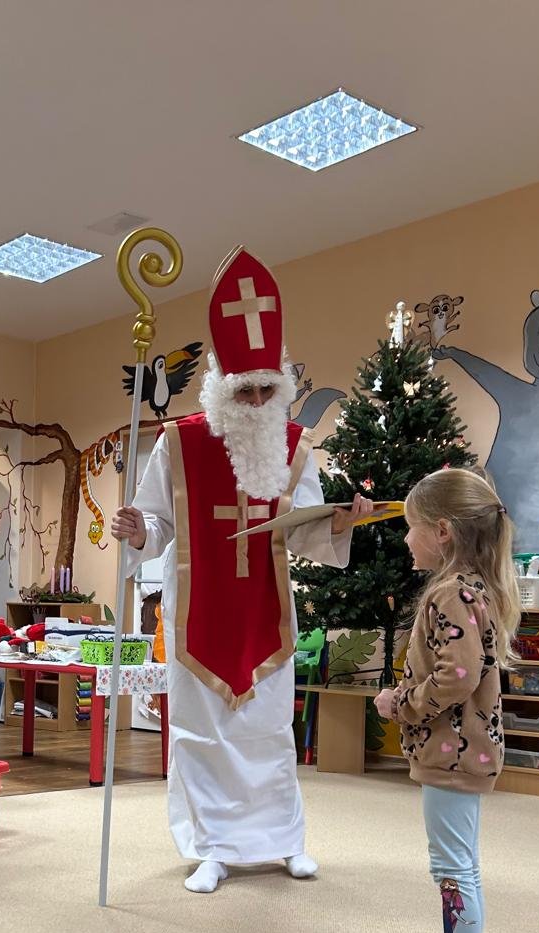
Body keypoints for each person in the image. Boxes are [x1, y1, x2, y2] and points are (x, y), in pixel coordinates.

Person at [113, 246, 376, 893]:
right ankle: (212, 848)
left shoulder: (294, 447)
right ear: (221, 387)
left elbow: (307, 527)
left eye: (266, 390)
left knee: (267, 732)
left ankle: (283, 841)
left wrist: (342, 521)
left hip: (265, 611)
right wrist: (138, 530)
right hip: (199, 613)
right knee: (202, 734)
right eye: (244, 390)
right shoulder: (179, 443)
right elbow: (156, 523)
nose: (257, 401)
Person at [374, 468, 520, 933]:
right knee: (462, 867)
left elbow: (456, 675)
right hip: (464, 749)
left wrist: (400, 703)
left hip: (451, 751)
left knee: (452, 871)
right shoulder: (473, 588)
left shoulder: (449, 593)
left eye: (411, 527)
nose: (405, 538)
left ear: (441, 531)